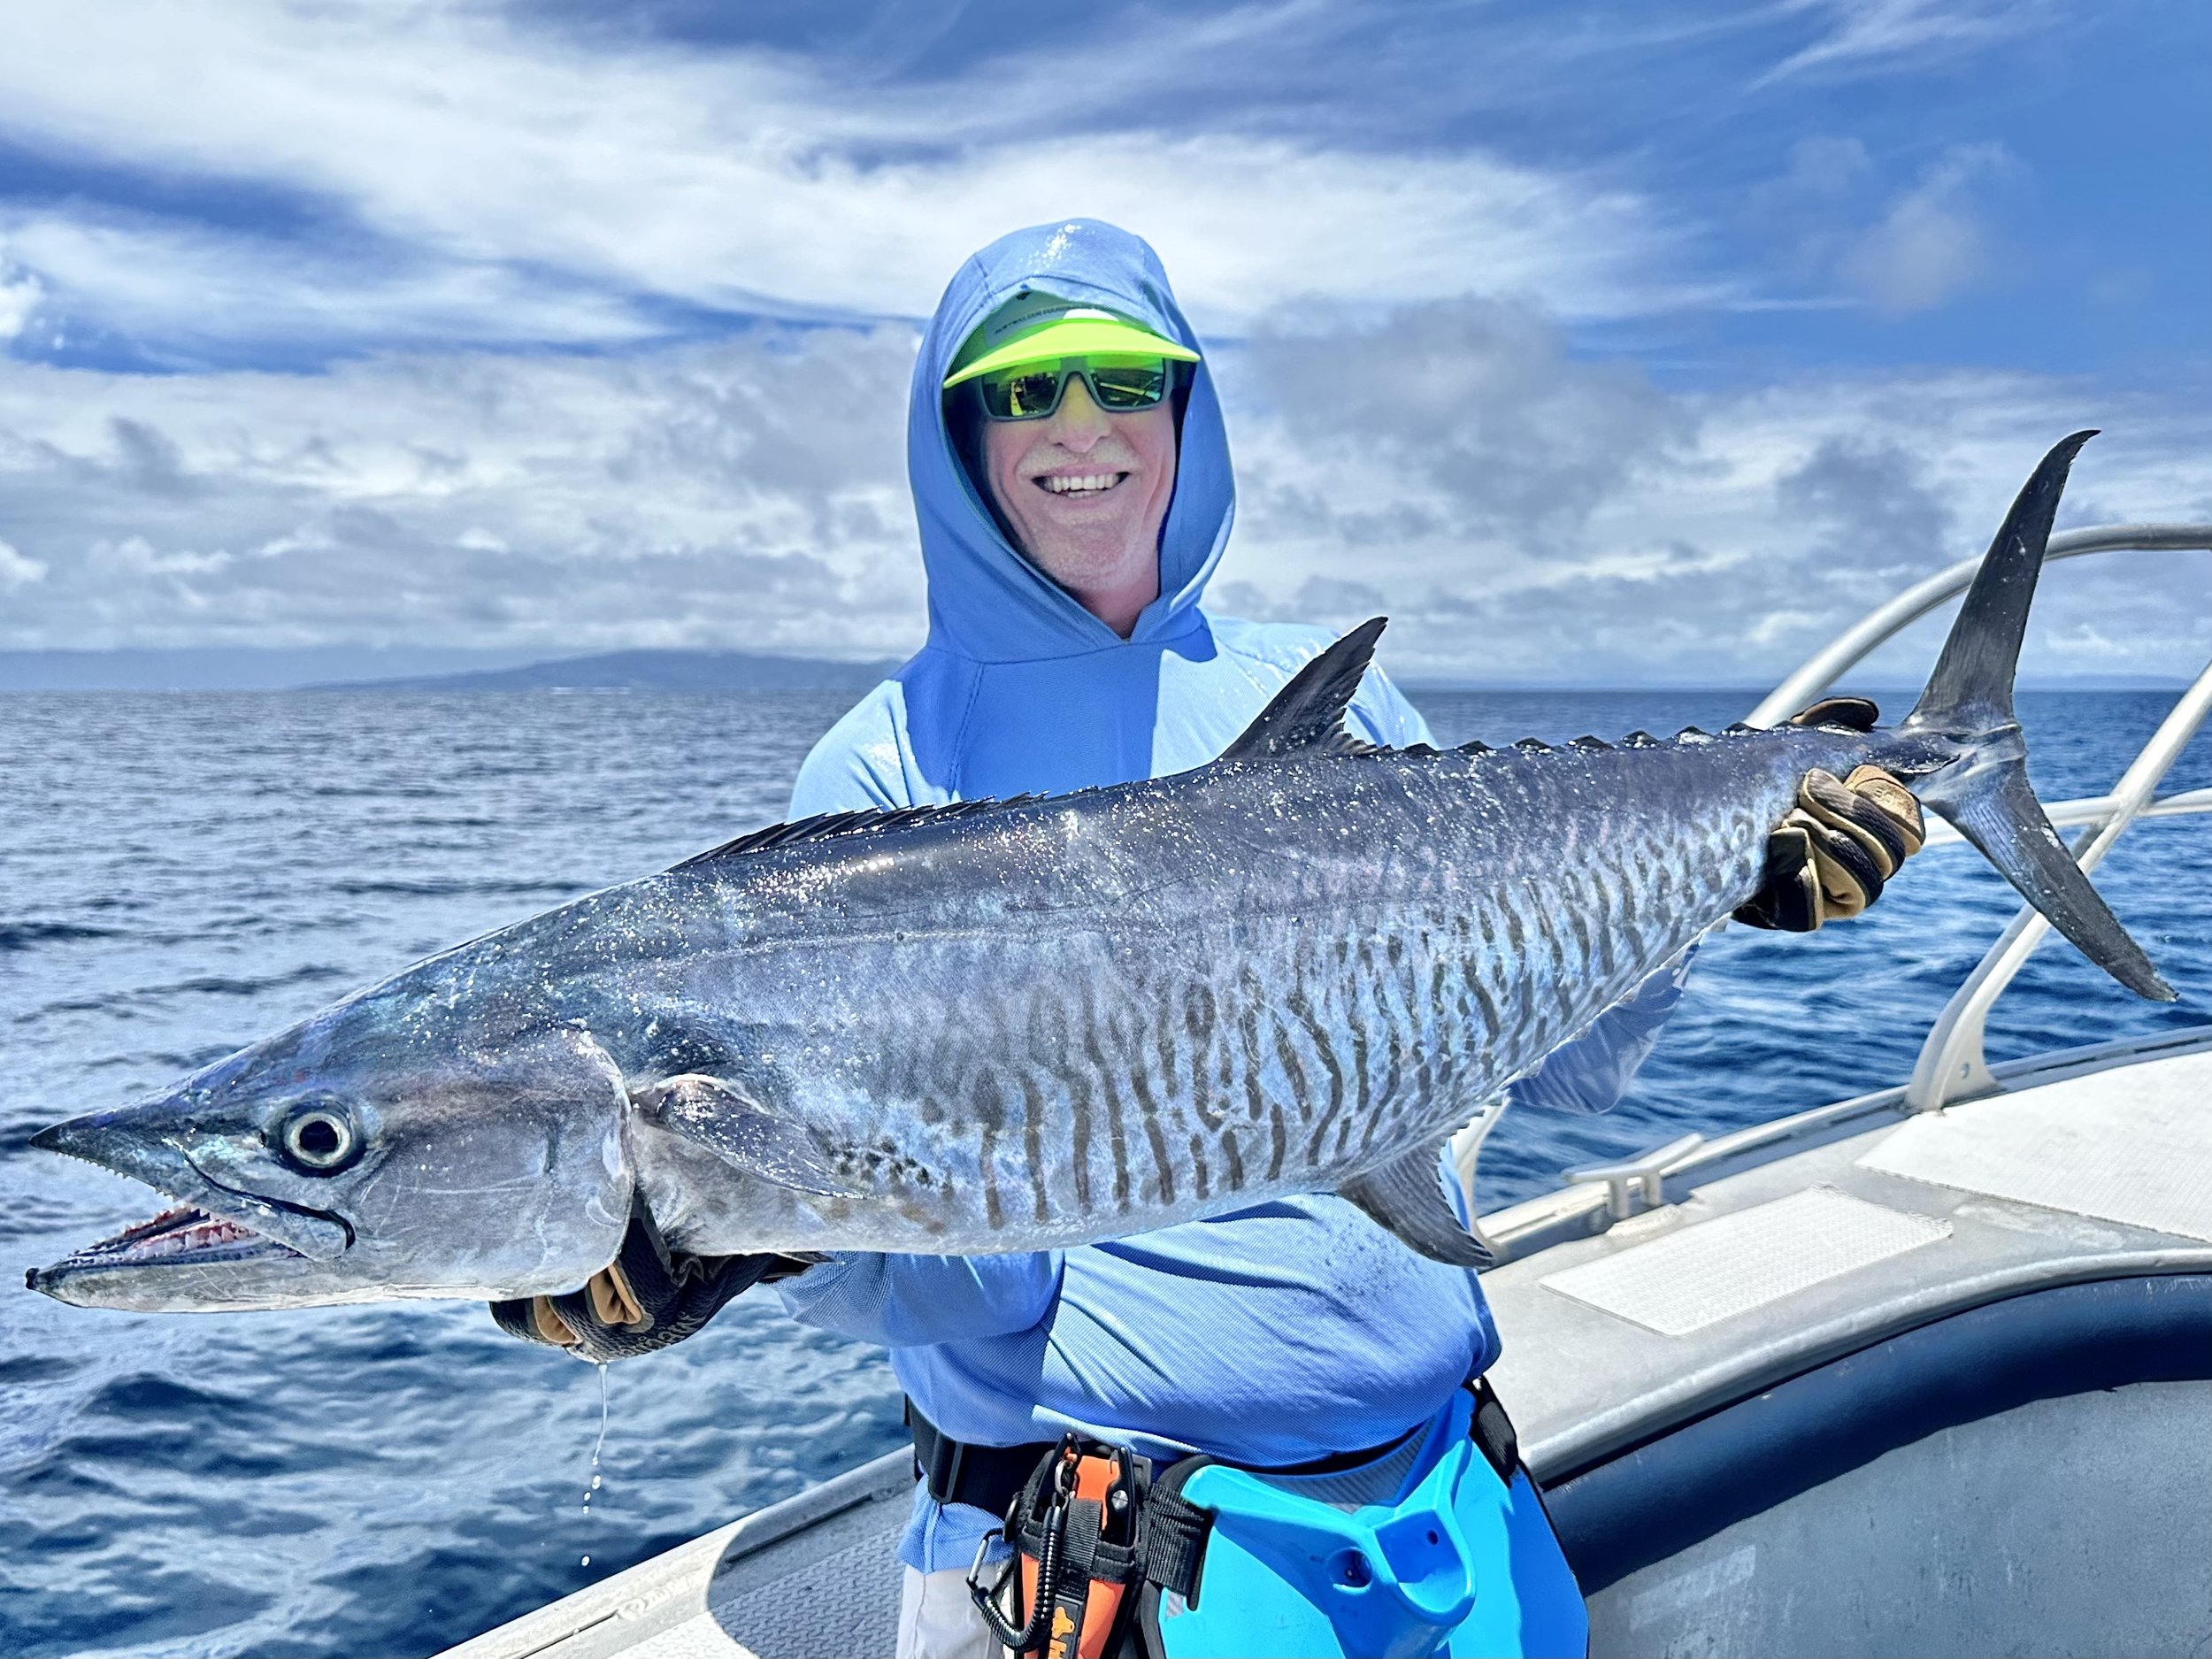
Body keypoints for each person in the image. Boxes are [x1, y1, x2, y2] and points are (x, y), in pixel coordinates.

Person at [495, 219, 1922, 1656]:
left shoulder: (1338, 714)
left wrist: (1720, 885)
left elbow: (1562, 1080)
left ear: (1185, 410)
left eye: (1123, 380)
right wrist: (734, 1234)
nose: (1080, 429)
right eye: (1024, 391)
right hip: (1109, 1557)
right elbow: (968, 1264)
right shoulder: (884, 775)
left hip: (1455, 1497)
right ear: (960, 433)